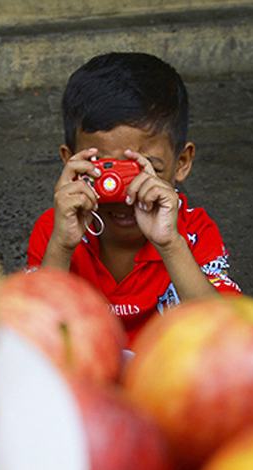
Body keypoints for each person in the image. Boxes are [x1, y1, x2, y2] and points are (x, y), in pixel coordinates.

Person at [25, 52, 241, 344]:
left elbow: (226, 334)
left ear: (182, 162)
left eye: (146, 170)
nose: (125, 194)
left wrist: (171, 244)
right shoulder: (56, 230)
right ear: (71, 162)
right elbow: (33, 334)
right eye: (103, 171)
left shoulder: (192, 233)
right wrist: (62, 247)